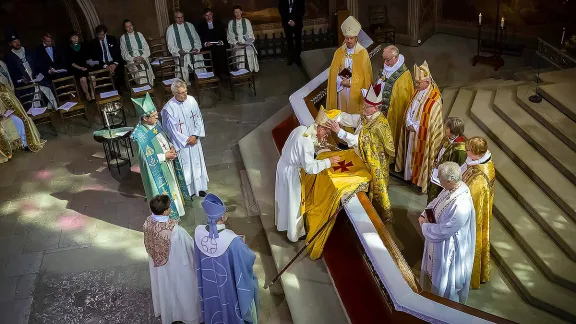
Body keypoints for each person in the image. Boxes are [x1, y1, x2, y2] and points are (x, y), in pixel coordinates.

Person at [325, 83, 395, 221]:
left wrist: (339, 132)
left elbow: (360, 142)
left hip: (372, 163)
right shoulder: (367, 116)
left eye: (367, 106)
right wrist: (336, 116)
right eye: (364, 105)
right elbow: (353, 119)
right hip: (360, 156)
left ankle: (380, 215)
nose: (364, 108)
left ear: (375, 108)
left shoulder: (379, 125)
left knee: (378, 191)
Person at [275, 107, 341, 242]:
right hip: (291, 174)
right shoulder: (306, 142)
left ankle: (283, 224)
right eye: (326, 133)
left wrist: (318, 147)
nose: (325, 136)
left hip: (283, 166)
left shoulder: (301, 129)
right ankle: (295, 234)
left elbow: (301, 147)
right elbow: (310, 167)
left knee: (284, 198)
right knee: (294, 203)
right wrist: (328, 161)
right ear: (320, 128)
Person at [194, 193, 258, 324]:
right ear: (223, 217)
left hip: (209, 281)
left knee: (213, 300)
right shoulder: (233, 241)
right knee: (229, 302)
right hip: (227, 285)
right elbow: (249, 258)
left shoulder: (198, 232)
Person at [419, 161, 476, 303]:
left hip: (447, 246)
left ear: (450, 180)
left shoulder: (462, 203)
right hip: (436, 239)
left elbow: (446, 230)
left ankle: (442, 306)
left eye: (440, 178)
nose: (438, 180)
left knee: (444, 281)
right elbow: (435, 202)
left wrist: (425, 226)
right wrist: (424, 214)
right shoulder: (450, 188)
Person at [143, 194, 201, 324]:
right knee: (183, 289)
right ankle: (188, 316)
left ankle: (168, 312)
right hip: (177, 265)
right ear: (165, 211)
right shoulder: (176, 231)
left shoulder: (147, 222)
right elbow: (190, 247)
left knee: (165, 287)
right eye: (169, 207)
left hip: (158, 265)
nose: (170, 209)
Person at [131, 92, 190, 218]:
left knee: (173, 187)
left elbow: (164, 137)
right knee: (166, 191)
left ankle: (178, 210)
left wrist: (171, 146)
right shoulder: (140, 136)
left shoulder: (155, 123)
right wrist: (165, 156)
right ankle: (168, 216)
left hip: (169, 162)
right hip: (159, 168)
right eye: (153, 115)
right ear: (145, 118)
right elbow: (145, 160)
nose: (157, 117)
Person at [395, 61, 443, 193]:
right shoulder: (418, 91)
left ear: (427, 82)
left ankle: (419, 180)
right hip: (412, 131)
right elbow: (410, 109)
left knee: (419, 158)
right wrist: (408, 122)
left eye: (418, 83)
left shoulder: (435, 99)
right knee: (410, 155)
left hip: (422, 136)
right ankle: (409, 176)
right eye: (415, 82)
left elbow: (432, 123)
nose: (415, 85)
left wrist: (415, 127)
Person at [161, 79, 209, 199]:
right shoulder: (169, 108)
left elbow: (198, 118)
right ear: (174, 93)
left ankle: (200, 188)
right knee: (186, 166)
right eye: (180, 93)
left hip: (194, 140)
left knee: (197, 164)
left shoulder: (191, 100)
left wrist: (195, 135)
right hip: (182, 144)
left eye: (185, 91)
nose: (184, 95)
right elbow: (172, 130)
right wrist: (187, 140)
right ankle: (188, 191)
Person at [461, 137, 495, 290]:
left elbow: (469, 203)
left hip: (474, 217)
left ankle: (469, 275)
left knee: (474, 241)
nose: (466, 152)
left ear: (475, 153)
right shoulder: (482, 162)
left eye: (468, 150)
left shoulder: (480, 179)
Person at [0, 60, 45, 164]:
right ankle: (8, 152)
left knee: (19, 120)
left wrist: (7, 112)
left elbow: (8, 96)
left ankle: (25, 144)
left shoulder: (3, 89)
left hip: (6, 112)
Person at [326, 16, 372, 115]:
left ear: (356, 38)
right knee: (343, 114)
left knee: (354, 116)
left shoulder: (362, 53)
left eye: (351, 38)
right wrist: (341, 81)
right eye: (347, 38)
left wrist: (351, 82)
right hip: (342, 89)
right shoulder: (339, 52)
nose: (349, 41)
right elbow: (333, 72)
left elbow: (366, 77)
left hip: (356, 92)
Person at [3, 29, 58, 109]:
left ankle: (52, 110)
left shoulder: (29, 51)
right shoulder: (9, 57)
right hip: (24, 86)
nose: (17, 43)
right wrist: (21, 80)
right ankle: (37, 114)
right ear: (10, 44)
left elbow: (38, 66)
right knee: (33, 93)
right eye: (14, 42)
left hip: (36, 80)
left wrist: (39, 75)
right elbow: (12, 75)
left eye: (17, 40)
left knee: (48, 88)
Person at [376, 45, 414, 153]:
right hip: (381, 108)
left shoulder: (404, 75)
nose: (385, 63)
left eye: (387, 60)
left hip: (394, 113)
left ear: (395, 58)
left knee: (392, 134)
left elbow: (403, 98)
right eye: (384, 59)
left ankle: (392, 156)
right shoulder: (387, 66)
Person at [427, 117, 467, 203]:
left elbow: (457, 169)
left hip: (446, 180)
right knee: (431, 195)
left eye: (447, 128)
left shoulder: (460, 149)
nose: (445, 129)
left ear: (453, 129)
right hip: (437, 172)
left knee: (437, 199)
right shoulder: (446, 138)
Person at [166, 10, 205, 85]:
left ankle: (201, 80)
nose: (180, 19)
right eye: (178, 18)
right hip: (180, 54)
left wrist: (196, 48)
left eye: (182, 17)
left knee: (198, 61)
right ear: (174, 18)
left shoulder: (190, 26)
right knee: (182, 79)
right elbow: (170, 45)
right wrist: (178, 50)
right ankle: (184, 84)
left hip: (193, 52)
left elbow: (196, 39)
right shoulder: (170, 29)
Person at [120, 19, 155, 85]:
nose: (130, 27)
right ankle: (142, 89)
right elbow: (123, 53)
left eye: (131, 25)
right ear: (125, 28)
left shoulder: (139, 34)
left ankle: (149, 88)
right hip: (131, 59)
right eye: (127, 26)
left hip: (142, 57)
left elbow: (146, 48)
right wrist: (134, 58)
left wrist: (142, 57)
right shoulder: (123, 38)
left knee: (147, 71)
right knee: (139, 73)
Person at [196, 8, 229, 77]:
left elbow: (224, 35)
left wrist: (221, 41)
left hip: (219, 45)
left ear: (212, 14)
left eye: (210, 15)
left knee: (222, 50)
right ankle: (212, 75)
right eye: (206, 15)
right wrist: (205, 43)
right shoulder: (200, 25)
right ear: (204, 16)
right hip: (208, 47)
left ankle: (223, 73)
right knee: (210, 52)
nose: (209, 17)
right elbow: (199, 38)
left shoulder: (218, 23)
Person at [90, 25, 124, 90]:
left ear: (105, 33)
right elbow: (95, 57)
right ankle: (110, 91)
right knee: (104, 74)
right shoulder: (93, 43)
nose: (100, 36)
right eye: (98, 35)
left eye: (102, 34)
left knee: (120, 69)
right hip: (102, 64)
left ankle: (118, 90)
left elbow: (118, 53)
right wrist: (106, 66)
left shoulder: (112, 39)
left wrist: (115, 64)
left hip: (113, 61)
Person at [227, 5, 259, 72]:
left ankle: (250, 69)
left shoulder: (247, 21)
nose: (237, 14)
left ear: (241, 12)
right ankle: (241, 71)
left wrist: (247, 42)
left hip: (247, 42)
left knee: (250, 50)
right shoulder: (231, 23)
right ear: (234, 13)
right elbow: (230, 36)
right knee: (239, 51)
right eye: (236, 12)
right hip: (237, 43)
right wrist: (237, 43)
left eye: (239, 12)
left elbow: (250, 33)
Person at [67, 32, 94, 101]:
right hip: (77, 68)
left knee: (92, 77)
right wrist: (80, 68)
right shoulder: (69, 48)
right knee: (83, 79)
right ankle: (87, 94)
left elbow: (89, 56)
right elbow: (71, 62)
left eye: (76, 37)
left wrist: (90, 62)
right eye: (73, 37)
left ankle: (93, 93)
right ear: (70, 39)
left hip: (87, 66)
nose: (75, 39)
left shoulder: (84, 45)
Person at [278, 0, 305, 66]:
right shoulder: (282, 1)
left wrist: (294, 21)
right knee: (289, 41)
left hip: (297, 23)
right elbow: (281, 10)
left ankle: (298, 58)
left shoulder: (300, 1)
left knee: (298, 41)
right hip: (287, 24)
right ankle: (291, 58)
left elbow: (302, 11)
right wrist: (289, 20)